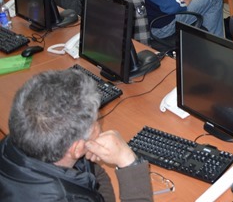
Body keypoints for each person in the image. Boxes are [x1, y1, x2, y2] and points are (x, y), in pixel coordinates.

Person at [0, 69, 152, 201]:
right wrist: (128, 162)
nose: (99, 124)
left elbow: (91, 185)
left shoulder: (13, 142)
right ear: (77, 148)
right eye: (96, 121)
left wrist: (87, 158)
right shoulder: (65, 197)